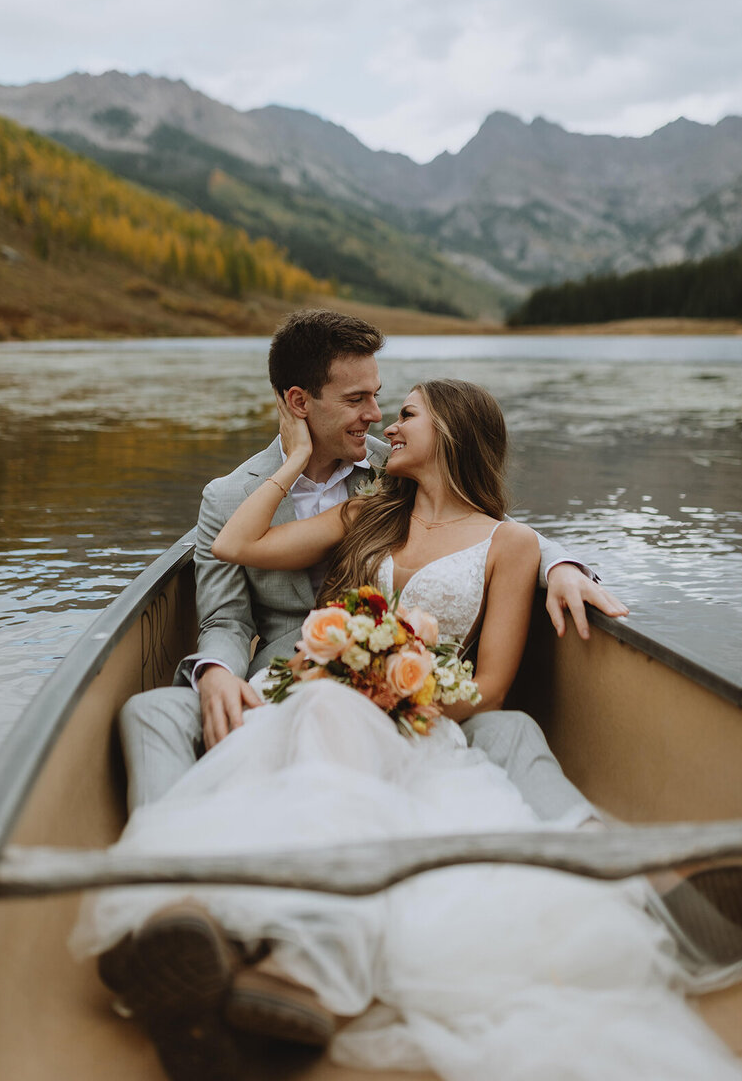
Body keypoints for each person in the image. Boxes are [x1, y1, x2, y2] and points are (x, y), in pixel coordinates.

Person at [73, 379, 742, 1081]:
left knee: (340, 721)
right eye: (383, 410)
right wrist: (291, 459)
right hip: (323, 700)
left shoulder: (512, 543)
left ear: (453, 431)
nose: (387, 428)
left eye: (404, 416)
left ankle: (300, 954)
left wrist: (393, 696)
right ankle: (233, 951)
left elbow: (490, 685)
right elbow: (236, 542)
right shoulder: (368, 511)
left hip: (419, 718)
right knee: (316, 722)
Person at [119, 309, 628, 817]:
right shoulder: (230, 497)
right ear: (299, 402)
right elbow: (226, 618)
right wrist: (214, 673)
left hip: (405, 682)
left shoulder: (398, 467)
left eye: (380, 396)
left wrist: (560, 565)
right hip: (282, 673)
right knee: (151, 711)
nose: (377, 415)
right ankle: (163, 860)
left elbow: (486, 526)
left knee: (510, 729)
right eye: (356, 399)